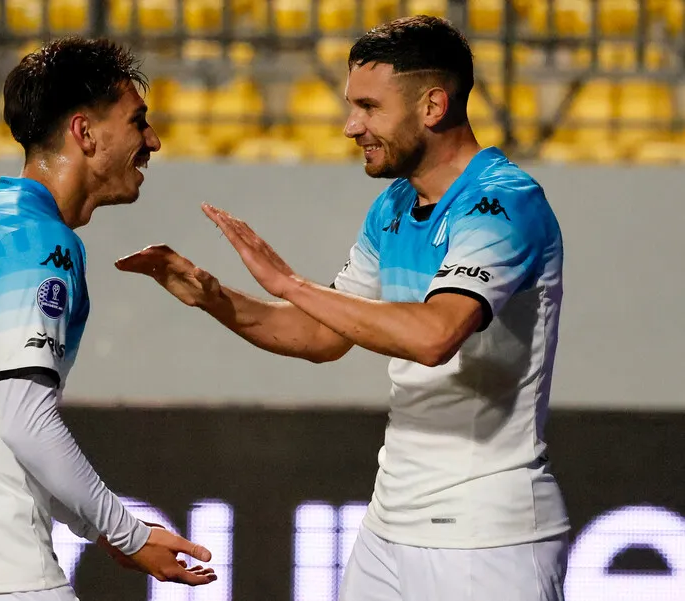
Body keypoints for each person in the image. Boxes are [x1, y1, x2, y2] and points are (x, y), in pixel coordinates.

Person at [116, 15, 569, 601]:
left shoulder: (505, 204)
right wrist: (215, 298)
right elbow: (322, 335)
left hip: (487, 537)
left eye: (369, 107)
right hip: (388, 527)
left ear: (433, 106)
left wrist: (290, 283)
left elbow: (436, 335)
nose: (351, 125)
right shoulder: (394, 206)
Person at [0, 36, 217, 601]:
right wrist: (126, 533)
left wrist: (96, 528)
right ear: (85, 132)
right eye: (138, 121)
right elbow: (25, 422)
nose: (152, 140)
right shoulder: (39, 242)